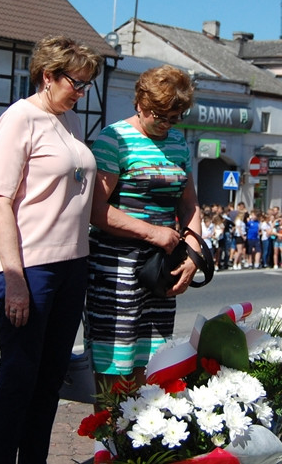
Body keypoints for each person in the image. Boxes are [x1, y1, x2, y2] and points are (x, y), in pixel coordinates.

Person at [0, 35, 102, 464]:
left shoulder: (67, 121)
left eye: (87, 84)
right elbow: (0, 202)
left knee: (50, 378)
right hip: (31, 267)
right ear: (48, 76)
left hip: (72, 264)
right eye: (77, 83)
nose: (82, 92)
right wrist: (14, 279)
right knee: (19, 375)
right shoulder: (20, 118)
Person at [86, 65, 202, 400]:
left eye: (174, 118)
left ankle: (141, 443)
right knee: (114, 366)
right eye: (159, 116)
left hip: (159, 267)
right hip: (116, 266)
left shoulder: (178, 144)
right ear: (140, 102)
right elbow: (96, 210)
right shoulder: (114, 139)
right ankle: (109, 444)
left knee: (151, 361)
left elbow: (190, 204)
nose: (165, 125)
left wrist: (192, 251)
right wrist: (152, 233)